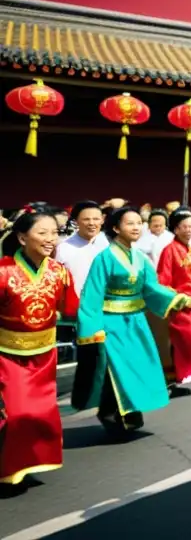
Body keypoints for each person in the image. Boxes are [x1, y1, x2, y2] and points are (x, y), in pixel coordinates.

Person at [71, 206, 191, 435]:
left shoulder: (140, 257)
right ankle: (114, 415)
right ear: (116, 227)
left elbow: (151, 288)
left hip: (136, 321)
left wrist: (179, 299)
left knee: (140, 366)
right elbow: (92, 295)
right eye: (130, 223)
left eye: (140, 222)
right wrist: (91, 328)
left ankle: (131, 412)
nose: (137, 227)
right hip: (111, 323)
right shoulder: (105, 258)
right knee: (118, 371)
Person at [0, 210, 79, 490]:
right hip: (7, 356)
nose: (50, 239)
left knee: (40, 415)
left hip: (45, 356)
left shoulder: (58, 271)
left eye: (54, 233)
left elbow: (71, 308)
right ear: (22, 237)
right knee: (16, 413)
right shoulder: (3, 271)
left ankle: (23, 465)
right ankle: (8, 472)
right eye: (42, 233)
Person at [155, 209, 191, 387]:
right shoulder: (169, 250)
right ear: (176, 229)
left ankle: (179, 376)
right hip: (179, 305)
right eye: (184, 227)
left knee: (188, 344)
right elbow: (163, 280)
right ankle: (178, 375)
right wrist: (177, 299)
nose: (189, 230)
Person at [55, 201, 109, 296]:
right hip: (76, 305)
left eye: (96, 219)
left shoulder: (109, 244)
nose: (91, 223)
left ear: (102, 219)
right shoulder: (63, 248)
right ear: (76, 222)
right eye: (86, 219)